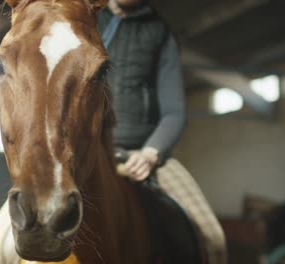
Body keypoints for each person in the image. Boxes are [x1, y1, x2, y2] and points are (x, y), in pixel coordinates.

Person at [97, 0, 227, 263]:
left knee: (214, 240)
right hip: (88, 152)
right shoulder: (85, 18)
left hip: (142, 154)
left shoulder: (159, 32)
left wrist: (151, 154)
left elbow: (174, 112)